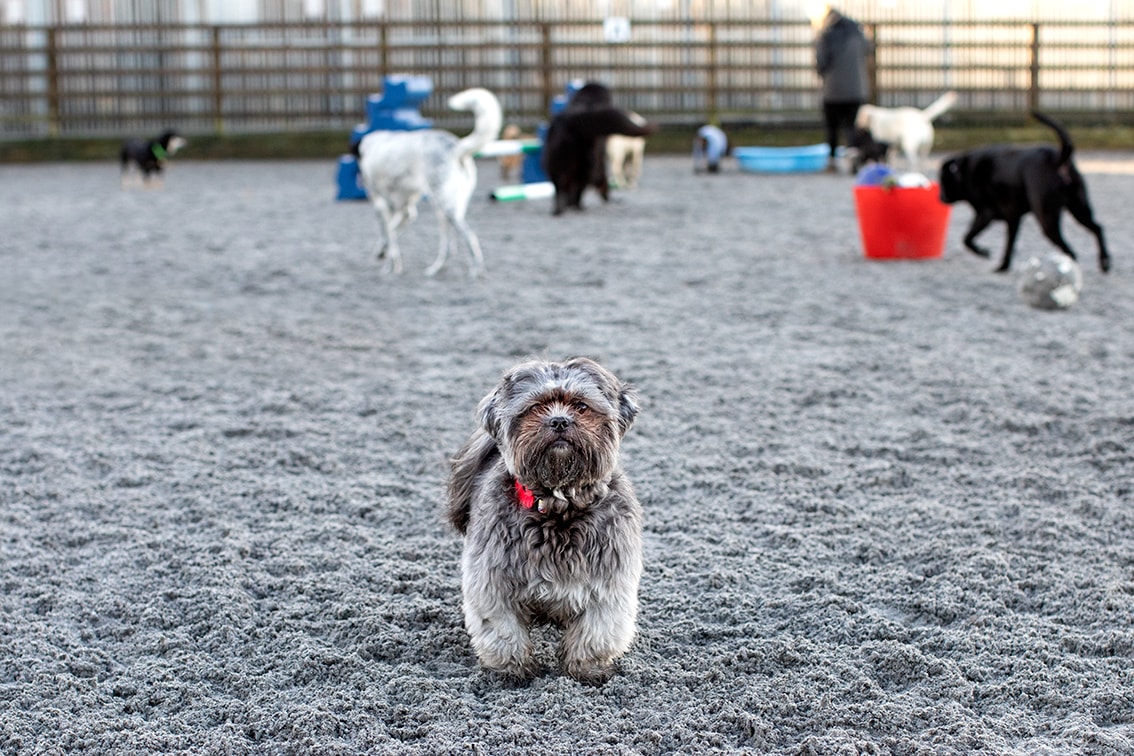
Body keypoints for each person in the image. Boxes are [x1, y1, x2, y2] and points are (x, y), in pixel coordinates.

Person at [814, 5, 870, 173]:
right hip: (857, 90)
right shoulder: (858, 34)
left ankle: (832, 162)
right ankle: (853, 157)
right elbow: (868, 51)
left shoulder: (826, 36)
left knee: (832, 128)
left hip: (833, 91)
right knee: (852, 127)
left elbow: (821, 63)